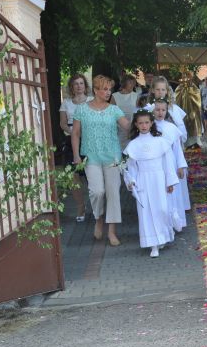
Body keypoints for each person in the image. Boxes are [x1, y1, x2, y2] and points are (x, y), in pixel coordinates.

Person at [71, 75, 131, 246]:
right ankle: (98, 218)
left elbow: (127, 126)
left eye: (109, 89)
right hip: (91, 157)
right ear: (95, 90)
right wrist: (76, 155)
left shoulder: (114, 110)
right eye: (104, 89)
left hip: (112, 157)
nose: (108, 92)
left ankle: (112, 231)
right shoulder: (81, 110)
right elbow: (75, 133)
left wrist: (146, 115)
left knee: (113, 192)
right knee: (97, 191)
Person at [123, 109, 179, 258]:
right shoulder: (133, 145)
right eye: (140, 123)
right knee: (146, 212)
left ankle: (164, 235)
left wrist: (170, 181)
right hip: (143, 180)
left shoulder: (160, 142)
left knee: (161, 209)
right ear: (136, 125)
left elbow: (168, 163)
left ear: (151, 123)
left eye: (146, 122)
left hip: (159, 179)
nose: (144, 126)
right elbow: (132, 167)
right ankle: (153, 244)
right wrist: (131, 181)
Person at [59, 73, 92, 222]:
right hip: (71, 137)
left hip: (90, 138)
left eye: (81, 83)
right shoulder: (66, 103)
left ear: (85, 86)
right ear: (71, 87)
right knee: (74, 176)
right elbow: (63, 123)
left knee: (92, 173)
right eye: (76, 84)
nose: (79, 86)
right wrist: (73, 132)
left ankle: (96, 204)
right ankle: (80, 206)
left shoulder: (92, 101)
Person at [153, 99, 189, 231]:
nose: (160, 112)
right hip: (156, 165)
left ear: (167, 111)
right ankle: (163, 223)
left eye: (163, 110)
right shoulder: (150, 127)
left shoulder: (171, 128)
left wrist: (180, 165)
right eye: (157, 110)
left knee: (174, 193)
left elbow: (177, 148)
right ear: (153, 111)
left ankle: (176, 221)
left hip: (171, 164)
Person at [149, 76, 188, 141]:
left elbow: (180, 126)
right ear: (153, 90)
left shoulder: (173, 108)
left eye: (163, 89)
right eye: (157, 89)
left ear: (166, 91)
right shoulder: (149, 108)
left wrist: (181, 139)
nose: (160, 92)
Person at [111, 74, 140, 148]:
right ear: (124, 83)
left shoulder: (136, 96)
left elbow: (138, 113)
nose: (132, 85)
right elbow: (111, 113)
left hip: (132, 127)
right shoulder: (115, 96)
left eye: (134, 83)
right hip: (118, 129)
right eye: (130, 83)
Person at [175, 71, 203, 148]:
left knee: (195, 137)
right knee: (185, 136)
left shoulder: (195, 88)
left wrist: (189, 91)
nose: (186, 79)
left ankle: (196, 152)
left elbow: (198, 100)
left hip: (193, 114)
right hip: (183, 115)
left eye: (189, 77)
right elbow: (176, 101)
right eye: (185, 77)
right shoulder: (179, 88)